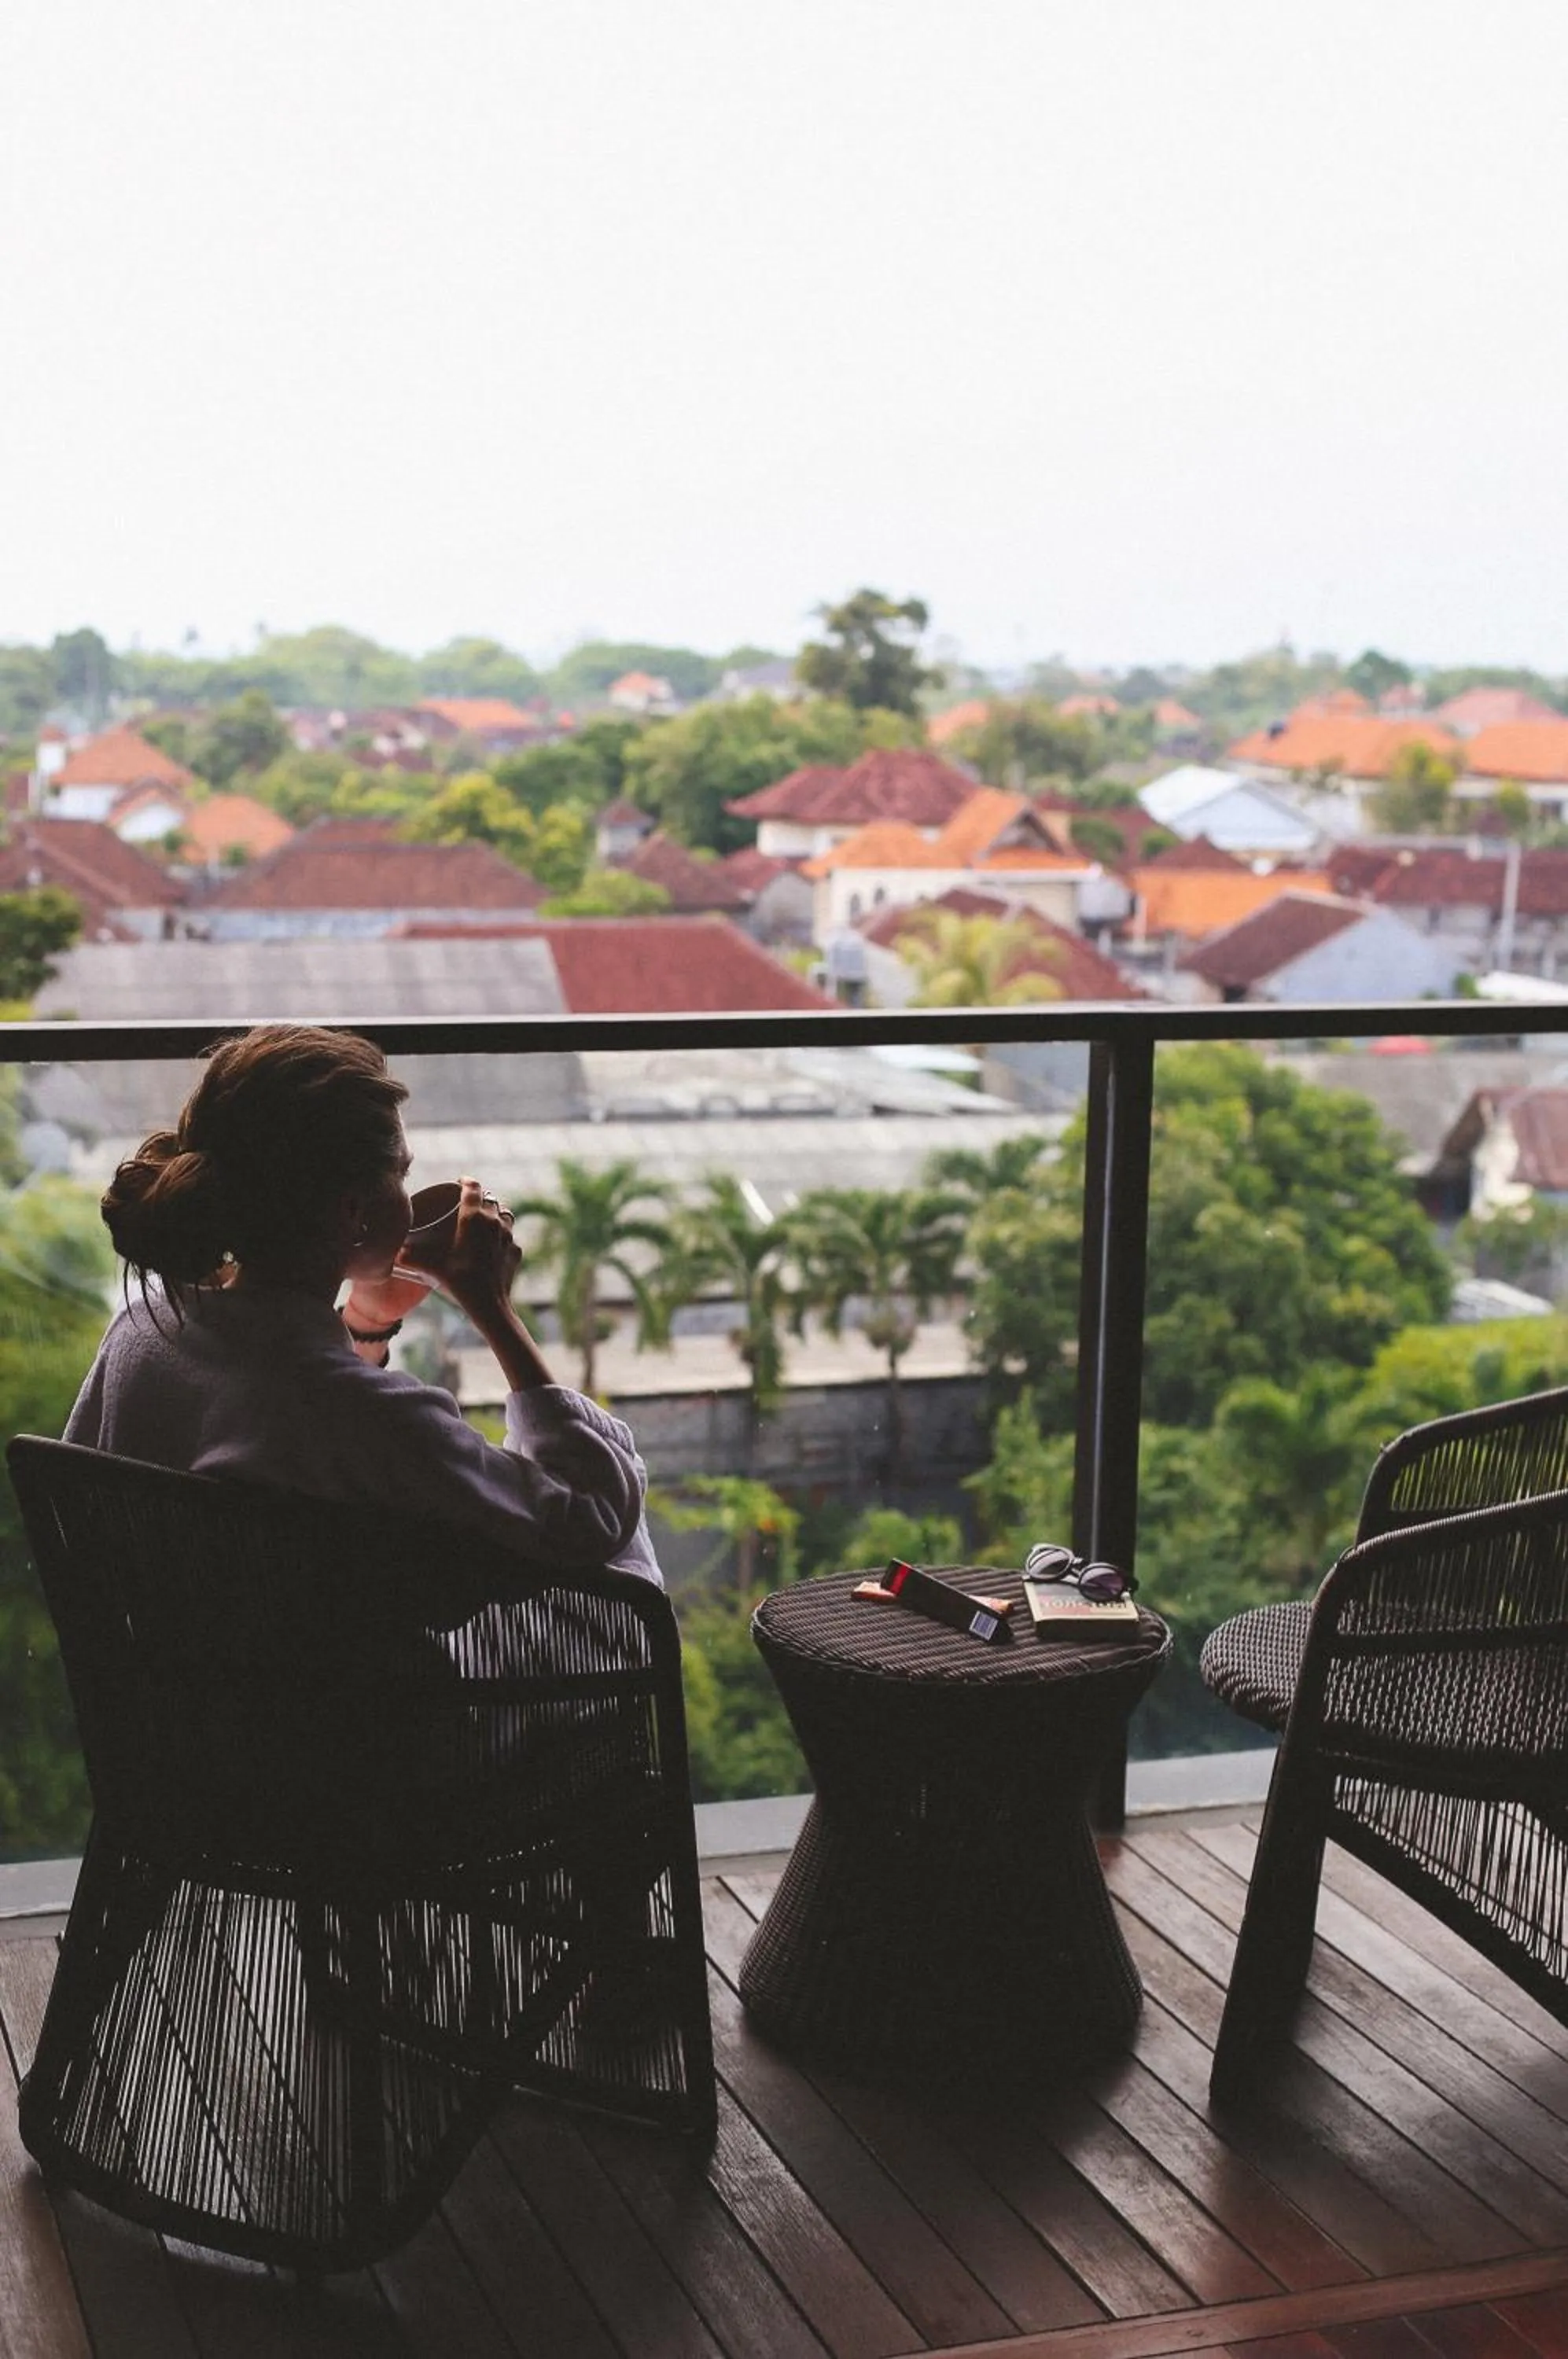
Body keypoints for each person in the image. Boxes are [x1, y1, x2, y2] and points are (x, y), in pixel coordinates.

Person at [64, 1023, 661, 1583]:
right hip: (341, 1693)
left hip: (177, 1679)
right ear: (353, 1210)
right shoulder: (360, 1414)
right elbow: (590, 1515)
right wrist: (493, 1310)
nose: (407, 1192)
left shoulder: (141, 1329)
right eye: (400, 1174)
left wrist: (366, 1325)